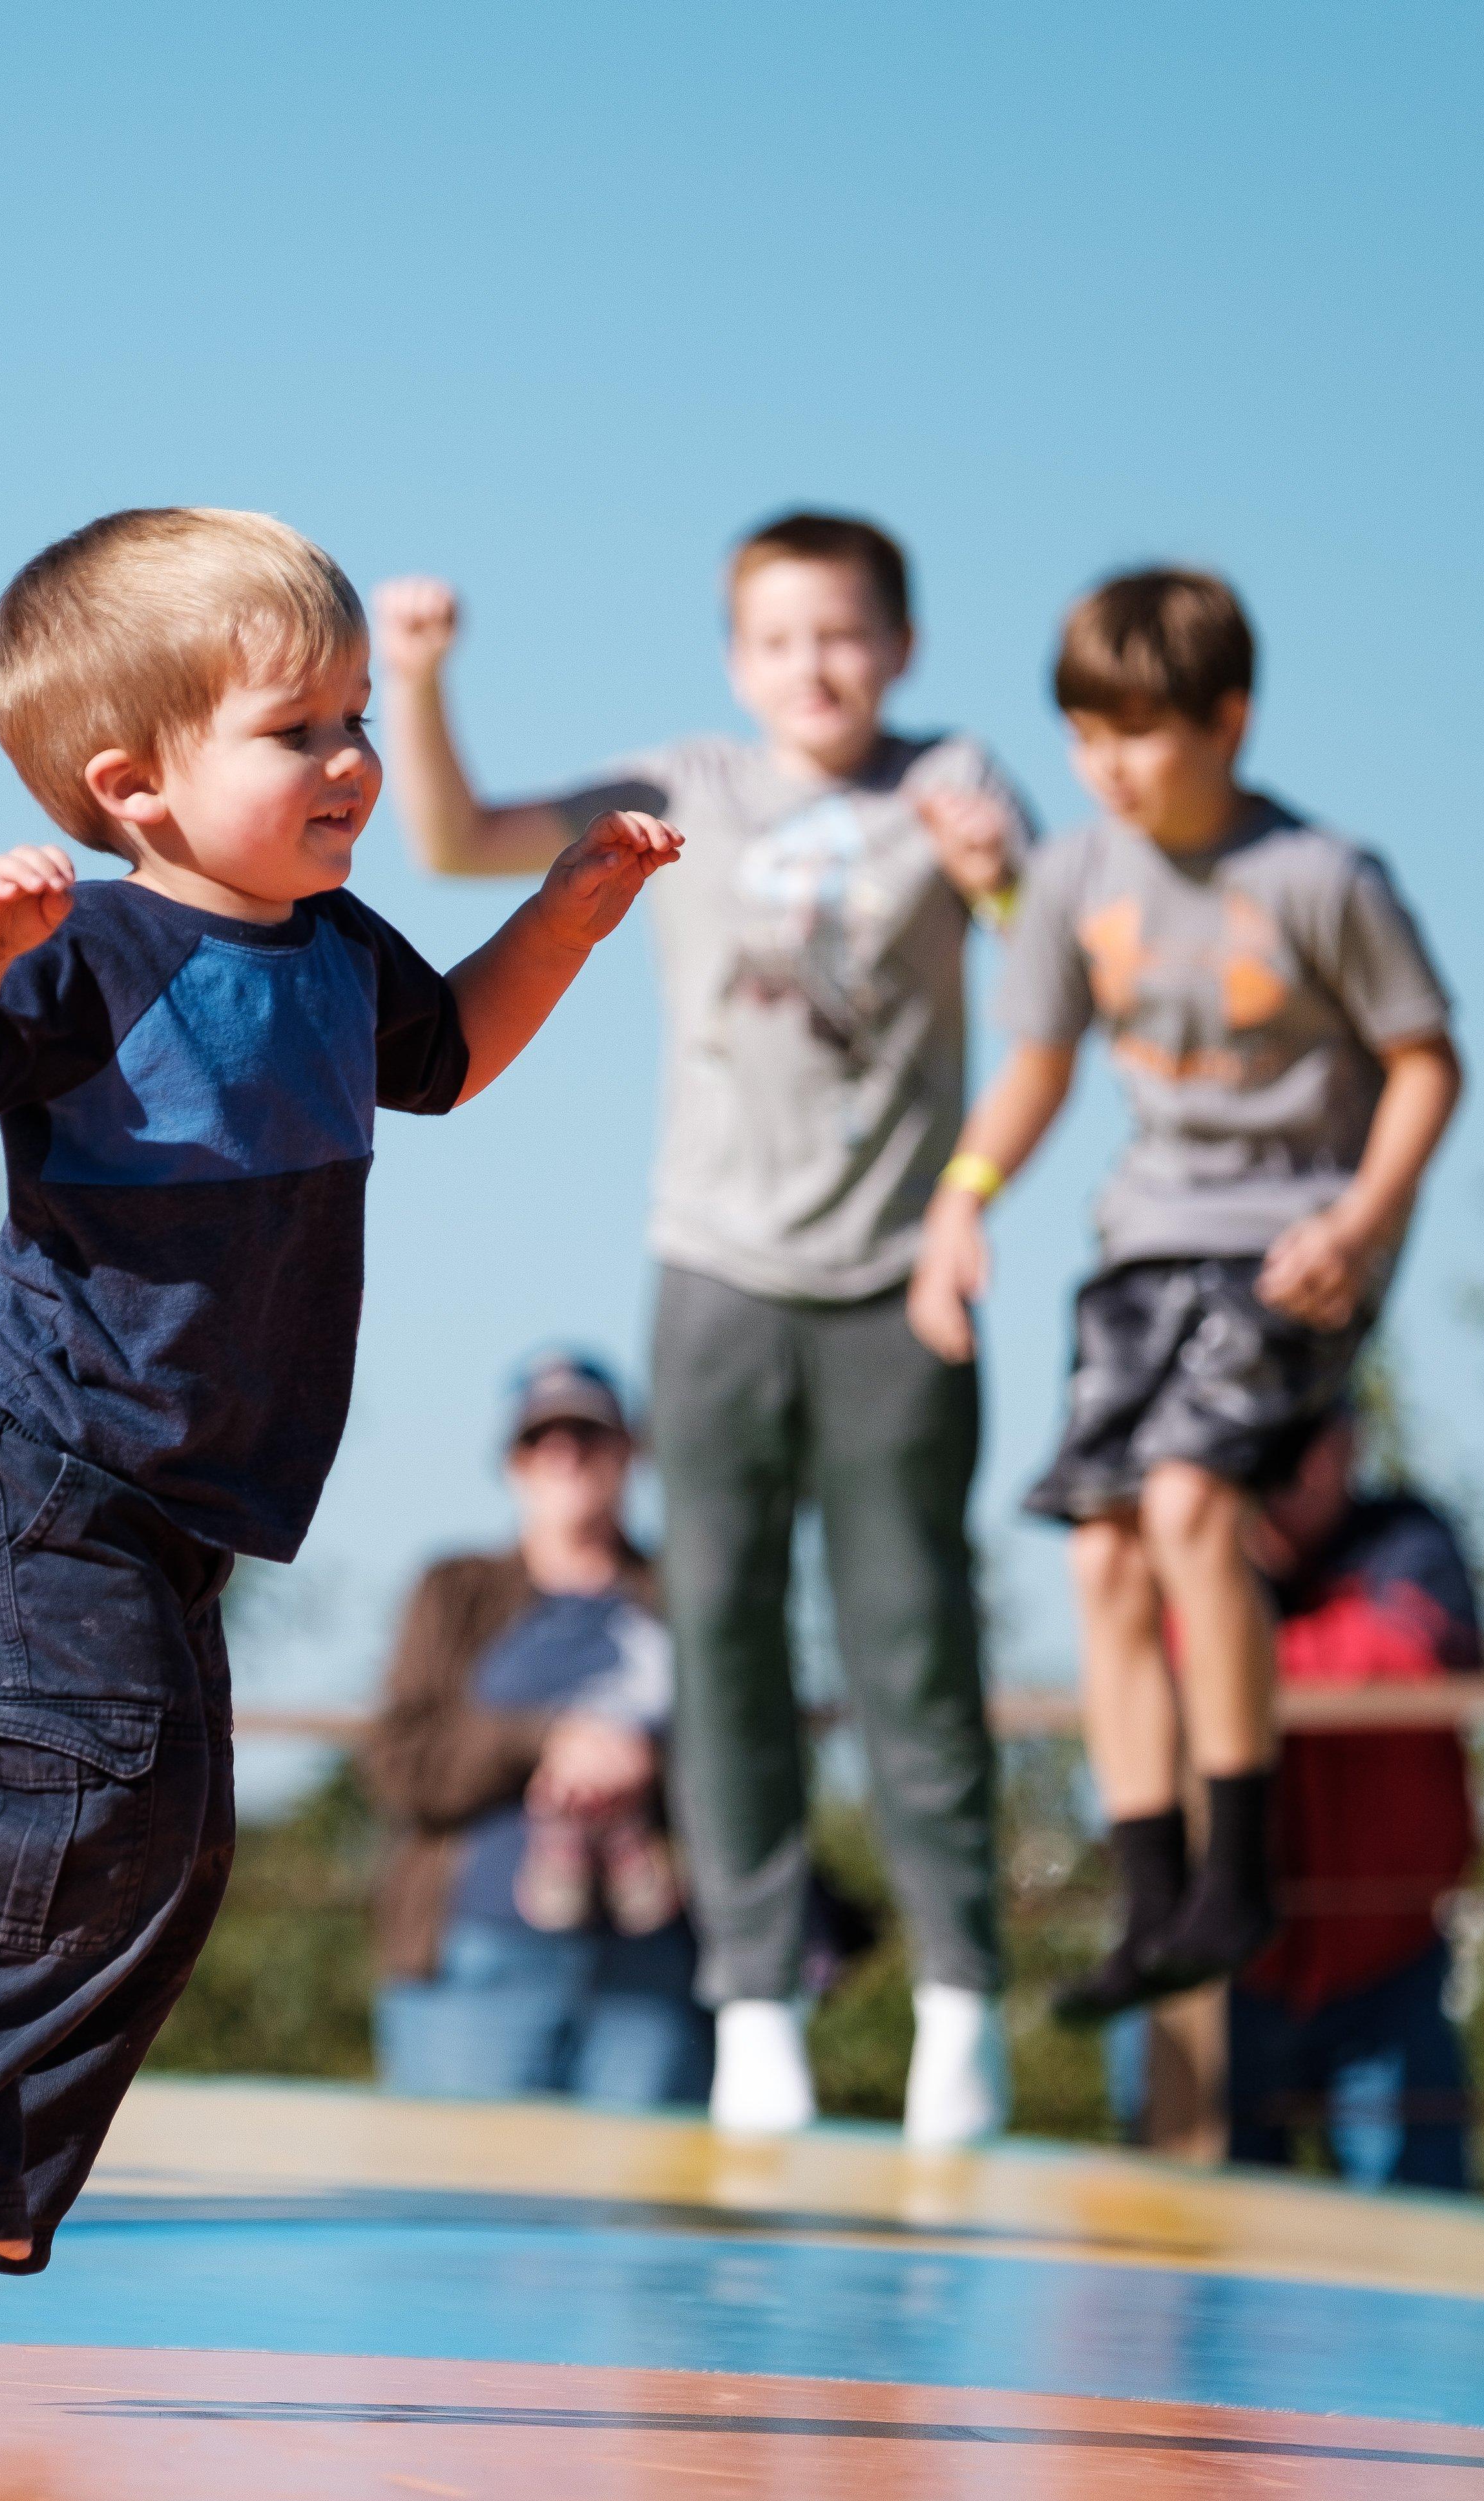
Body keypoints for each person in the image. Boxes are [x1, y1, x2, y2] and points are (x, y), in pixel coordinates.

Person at [0, 508, 679, 2311]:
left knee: (184, 1843)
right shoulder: (95, 950)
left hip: (173, 1501)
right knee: (74, 1797)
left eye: (357, 718)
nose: (352, 762)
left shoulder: (340, 958)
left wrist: (569, 913)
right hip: (26, 1470)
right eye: (300, 733)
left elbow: (463, 1059)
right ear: (136, 786)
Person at [379, 513, 1029, 2144]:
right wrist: (419, 672)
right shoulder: (683, 787)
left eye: (847, 635)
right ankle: (751, 2001)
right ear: (737, 662)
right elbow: (452, 839)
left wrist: (997, 878)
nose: (817, 667)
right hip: (718, 1267)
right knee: (722, 1625)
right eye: (782, 639)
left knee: (908, 1629)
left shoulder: (954, 781)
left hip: (891, 1275)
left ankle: (961, 1991)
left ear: (901, 645)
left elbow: (1055, 978)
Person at [909, 568, 1463, 2020]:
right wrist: (962, 1204)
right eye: (1086, 739)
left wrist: (1364, 1214)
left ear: (1231, 720)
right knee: (1101, 1551)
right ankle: (1156, 1901)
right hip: (1145, 1238)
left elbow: (1427, 1059)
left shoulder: (1324, 878)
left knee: (1188, 1502)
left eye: (1141, 736)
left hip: (1294, 1239)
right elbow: (1038, 1061)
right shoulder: (1080, 876)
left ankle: (1242, 1867)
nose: (1107, 770)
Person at [365, 1353, 709, 2108]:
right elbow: (399, 1763)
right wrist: (545, 1741)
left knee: (641, 2219)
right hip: (475, 1965)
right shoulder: (455, 1589)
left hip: (650, 1970)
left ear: (630, 1452)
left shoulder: (687, 1592)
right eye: (541, 1439)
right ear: (512, 1463)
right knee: (465, 2217)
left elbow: (757, 1758)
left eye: (587, 1436)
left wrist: (639, 1761)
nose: (566, 1456)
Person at [1232, 1409, 1481, 2188]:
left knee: (1421, 2243)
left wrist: (1241, 1663)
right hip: (1226, 1976)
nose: (1291, 1468)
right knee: (1185, 2246)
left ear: (1350, 1445)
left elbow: (1410, 1664)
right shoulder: (1195, 1553)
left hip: (1387, 1969)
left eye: (1311, 1441)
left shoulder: (1410, 1537)